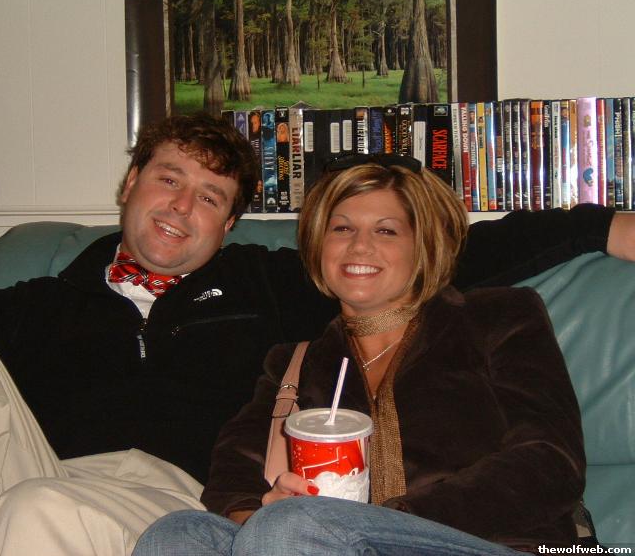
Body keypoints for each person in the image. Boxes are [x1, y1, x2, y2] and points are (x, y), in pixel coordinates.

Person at [0, 111, 632, 556]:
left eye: (211, 197)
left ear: (231, 224)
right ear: (130, 184)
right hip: (48, 467)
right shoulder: (38, 300)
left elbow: (436, 252)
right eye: (168, 179)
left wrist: (601, 226)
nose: (182, 207)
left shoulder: (271, 286)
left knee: (40, 514)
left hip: (160, 488)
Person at [133, 157, 588, 556]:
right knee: (179, 533)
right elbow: (232, 475)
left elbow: (551, 462)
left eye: (385, 230)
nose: (359, 246)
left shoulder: (498, 318)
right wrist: (257, 512)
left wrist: (389, 520)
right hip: (320, 541)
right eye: (342, 228)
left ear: (423, 245)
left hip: (502, 544)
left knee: (294, 525)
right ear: (319, 245)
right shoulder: (294, 364)